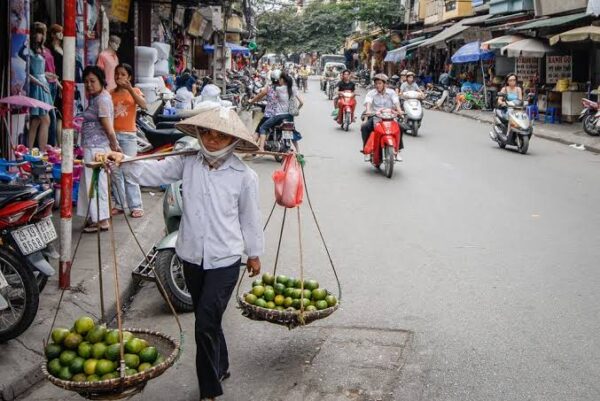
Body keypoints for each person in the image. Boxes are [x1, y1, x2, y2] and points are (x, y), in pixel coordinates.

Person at [96, 106, 264, 401]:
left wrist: (254, 253)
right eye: (207, 133)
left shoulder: (244, 176)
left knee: (204, 324)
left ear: (232, 140)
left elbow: (250, 218)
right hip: (190, 255)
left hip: (225, 260)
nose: (212, 140)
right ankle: (220, 364)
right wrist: (123, 162)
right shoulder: (188, 162)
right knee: (207, 317)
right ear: (199, 134)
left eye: (220, 136)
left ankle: (209, 390)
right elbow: (153, 170)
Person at [78, 66, 121, 233]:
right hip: (93, 147)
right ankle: (96, 217)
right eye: (86, 81)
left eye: (92, 81)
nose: (89, 85)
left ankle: (101, 220)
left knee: (95, 184)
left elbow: (108, 127)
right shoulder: (98, 98)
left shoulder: (102, 100)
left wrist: (114, 145)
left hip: (97, 149)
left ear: (101, 81)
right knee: (93, 183)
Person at [110, 63, 146, 218]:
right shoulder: (110, 93)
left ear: (129, 77)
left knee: (129, 171)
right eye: (117, 74)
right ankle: (119, 204)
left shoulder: (136, 91)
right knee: (115, 172)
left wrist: (131, 89)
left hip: (129, 136)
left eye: (123, 74)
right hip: (113, 136)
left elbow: (144, 106)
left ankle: (136, 205)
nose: (119, 77)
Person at [252, 71, 304, 152]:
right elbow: (301, 103)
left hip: (279, 116)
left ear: (283, 80)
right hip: (290, 116)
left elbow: (268, 96)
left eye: (280, 79)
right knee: (291, 131)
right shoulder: (293, 89)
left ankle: (261, 148)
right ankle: (298, 151)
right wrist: (296, 110)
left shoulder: (278, 89)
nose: (279, 80)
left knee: (263, 127)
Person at [361, 74, 404, 157]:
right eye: (376, 83)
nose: (377, 85)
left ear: (385, 84)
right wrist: (367, 116)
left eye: (380, 83)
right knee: (364, 127)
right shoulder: (371, 93)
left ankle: (397, 149)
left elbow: (396, 102)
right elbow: (368, 104)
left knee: (401, 128)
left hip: (390, 118)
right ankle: (366, 150)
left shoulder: (391, 92)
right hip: (376, 117)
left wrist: (400, 111)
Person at [27, 24, 53, 150]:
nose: (39, 35)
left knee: (36, 121)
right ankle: (41, 151)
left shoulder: (41, 49)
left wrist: (48, 75)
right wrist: (39, 82)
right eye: (37, 32)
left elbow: (40, 70)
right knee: (45, 119)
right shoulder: (28, 50)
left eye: (42, 33)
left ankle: (31, 150)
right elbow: (27, 72)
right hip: (37, 86)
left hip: (43, 84)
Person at [48, 24, 64, 145]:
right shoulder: (50, 50)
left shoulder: (63, 47)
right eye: (58, 32)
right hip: (54, 82)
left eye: (62, 32)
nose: (61, 34)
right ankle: (55, 143)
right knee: (56, 114)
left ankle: (60, 143)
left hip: (63, 82)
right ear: (53, 34)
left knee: (61, 115)